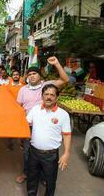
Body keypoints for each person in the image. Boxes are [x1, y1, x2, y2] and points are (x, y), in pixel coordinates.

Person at [15, 56, 69, 184]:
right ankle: (26, 173)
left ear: (40, 75)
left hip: (46, 125)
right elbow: (18, 108)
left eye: (34, 74)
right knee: (28, 152)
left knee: (46, 153)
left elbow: (65, 79)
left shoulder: (47, 85)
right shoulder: (22, 90)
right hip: (28, 127)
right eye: (29, 74)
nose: (32, 76)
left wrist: (56, 63)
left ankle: (44, 177)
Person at [27, 84, 71, 196]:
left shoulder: (63, 114)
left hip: (50, 156)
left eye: (52, 95)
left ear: (57, 97)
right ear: (42, 96)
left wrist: (66, 153)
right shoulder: (35, 109)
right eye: (46, 94)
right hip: (33, 152)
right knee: (32, 179)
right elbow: (25, 124)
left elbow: (66, 135)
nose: (49, 97)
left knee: (50, 181)